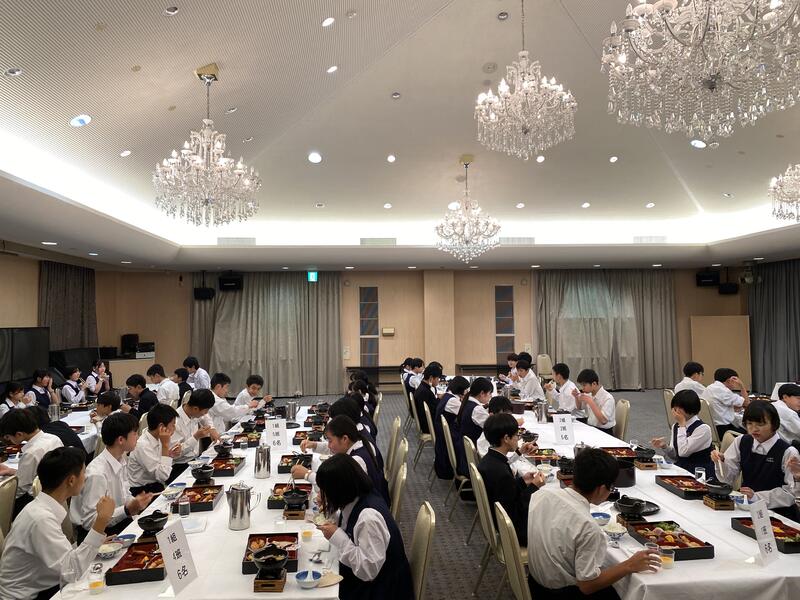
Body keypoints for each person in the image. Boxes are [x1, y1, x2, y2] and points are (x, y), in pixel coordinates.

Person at [527, 448, 661, 599]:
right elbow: (587, 586)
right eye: (611, 488)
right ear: (602, 488)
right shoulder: (588, 527)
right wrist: (629, 565)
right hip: (559, 594)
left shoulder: (541, 494)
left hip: (534, 583)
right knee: (626, 588)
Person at [0, 447, 115, 600]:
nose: (86, 477)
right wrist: (101, 521)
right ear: (71, 480)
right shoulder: (40, 519)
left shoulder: (42, 507)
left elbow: (62, 558)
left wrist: (94, 544)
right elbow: (72, 571)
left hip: (43, 586)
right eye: (84, 472)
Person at [315, 453, 413, 600]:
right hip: (375, 582)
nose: (322, 495)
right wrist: (331, 510)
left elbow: (368, 571)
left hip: (383, 590)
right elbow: (349, 523)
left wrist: (339, 538)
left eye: (325, 491)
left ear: (338, 490)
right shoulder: (360, 495)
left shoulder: (368, 518)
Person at [70, 413, 153, 542]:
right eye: (135, 433)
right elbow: (90, 521)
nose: (138, 436)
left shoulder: (120, 459)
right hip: (97, 536)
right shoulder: (97, 473)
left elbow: (124, 495)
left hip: (117, 523)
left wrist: (136, 503)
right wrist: (126, 510)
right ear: (121, 440)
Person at [712, 400, 800, 519]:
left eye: (760, 424)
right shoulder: (742, 441)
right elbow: (727, 480)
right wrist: (721, 463)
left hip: (778, 514)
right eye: (749, 423)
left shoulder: (788, 451)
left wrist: (756, 497)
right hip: (746, 508)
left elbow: (790, 494)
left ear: (774, 425)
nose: (754, 429)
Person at [293, 415, 390, 506]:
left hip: (366, 507)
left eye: (330, 440)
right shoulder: (358, 442)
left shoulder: (357, 461)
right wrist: (314, 445)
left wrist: (307, 474)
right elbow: (335, 448)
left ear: (344, 439)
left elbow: (334, 488)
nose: (329, 445)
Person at [478, 413, 545, 545]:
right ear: (506, 438)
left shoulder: (489, 459)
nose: (518, 439)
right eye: (516, 435)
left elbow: (506, 492)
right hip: (514, 531)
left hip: (499, 520)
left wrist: (523, 481)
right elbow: (515, 510)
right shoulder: (501, 472)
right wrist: (534, 487)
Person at [0, 407, 63, 514]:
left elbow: (19, 489)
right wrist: (11, 471)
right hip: (56, 493)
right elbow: (37, 473)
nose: (9, 440)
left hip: (34, 501)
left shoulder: (31, 453)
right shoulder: (53, 438)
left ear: (19, 434)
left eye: (8, 437)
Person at [650, 390, 714, 477]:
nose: (676, 411)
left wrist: (682, 425)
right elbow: (676, 456)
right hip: (681, 469)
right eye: (674, 408)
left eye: (679, 408)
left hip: (698, 473)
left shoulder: (703, 429)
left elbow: (683, 452)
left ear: (690, 408)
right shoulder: (676, 426)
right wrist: (664, 446)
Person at [128, 404, 181, 495]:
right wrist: (165, 446)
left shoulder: (157, 437)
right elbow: (163, 475)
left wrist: (170, 454)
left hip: (156, 486)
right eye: (173, 425)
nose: (174, 428)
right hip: (143, 492)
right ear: (161, 427)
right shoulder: (143, 446)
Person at [169, 388, 218, 481]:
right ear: (195, 408)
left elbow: (206, 418)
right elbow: (175, 454)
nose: (205, 414)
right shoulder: (175, 422)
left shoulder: (193, 412)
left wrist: (212, 429)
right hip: (179, 466)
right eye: (205, 411)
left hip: (195, 460)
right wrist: (196, 437)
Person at [433, 375, 470, 479]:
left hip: (443, 435)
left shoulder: (447, 396)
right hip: (449, 436)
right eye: (466, 390)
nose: (466, 392)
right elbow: (466, 415)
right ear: (460, 389)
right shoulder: (453, 401)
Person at [702, 367, 749, 439]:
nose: (736, 384)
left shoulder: (709, 388)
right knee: (750, 432)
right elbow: (746, 403)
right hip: (724, 430)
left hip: (711, 429)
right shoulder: (724, 391)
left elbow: (734, 406)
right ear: (730, 380)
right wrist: (741, 385)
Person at [574, 369, 616, 435]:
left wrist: (590, 401)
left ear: (594, 384)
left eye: (584, 385)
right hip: (591, 428)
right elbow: (580, 407)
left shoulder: (608, 398)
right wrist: (576, 397)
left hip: (604, 432)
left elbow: (603, 421)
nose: (582, 388)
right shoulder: (589, 394)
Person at [413, 364, 442, 434]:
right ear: (431, 378)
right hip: (429, 426)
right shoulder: (425, 392)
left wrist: (438, 398)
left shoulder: (422, 387)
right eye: (438, 378)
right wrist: (440, 400)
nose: (438, 381)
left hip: (426, 423)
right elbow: (435, 410)